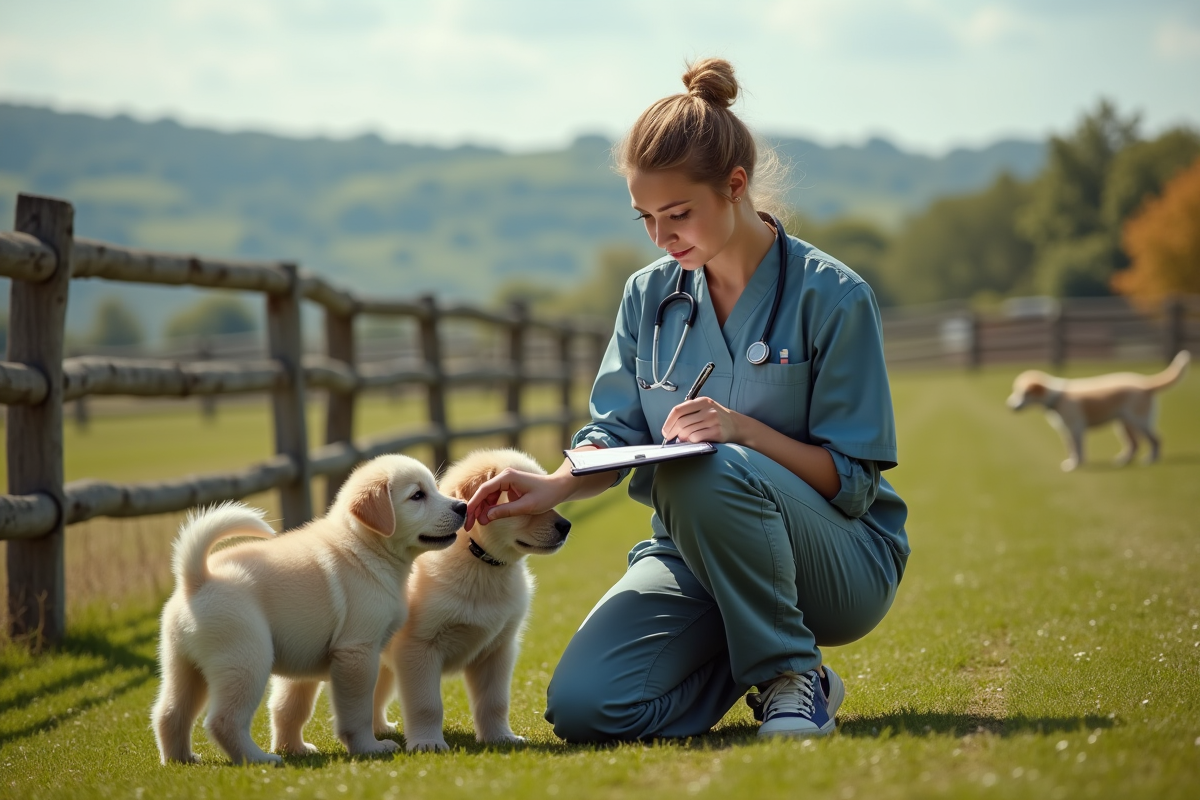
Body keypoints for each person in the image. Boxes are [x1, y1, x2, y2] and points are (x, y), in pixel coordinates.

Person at [464, 57, 908, 742]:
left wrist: (743, 432)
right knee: (587, 708)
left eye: (678, 214)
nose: (662, 236)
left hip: (840, 559)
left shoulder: (834, 296)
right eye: (645, 217)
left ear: (735, 187)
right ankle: (755, 643)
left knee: (702, 463)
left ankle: (792, 674)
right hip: (690, 556)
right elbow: (613, 431)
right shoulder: (648, 295)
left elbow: (850, 485)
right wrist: (551, 486)